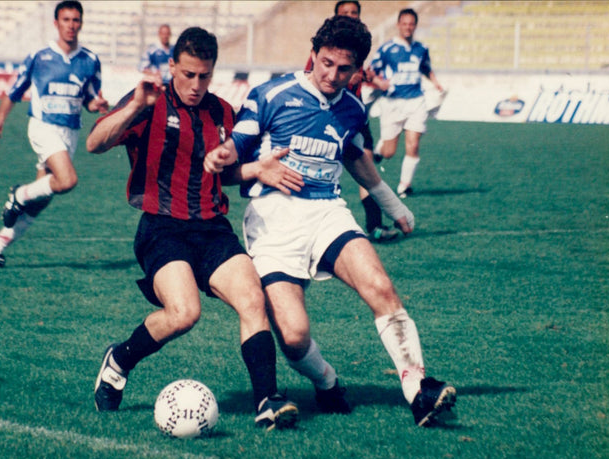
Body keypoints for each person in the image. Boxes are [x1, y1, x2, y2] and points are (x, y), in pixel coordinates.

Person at [204, 15, 456, 426]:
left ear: (357, 69)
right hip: (273, 223)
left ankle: (419, 391)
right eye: (325, 63)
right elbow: (233, 154)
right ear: (313, 54)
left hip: (327, 213)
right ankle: (327, 382)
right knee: (294, 335)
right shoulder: (272, 95)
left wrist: (392, 205)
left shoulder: (353, 108)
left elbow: (355, 156)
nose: (332, 75)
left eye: (344, 69)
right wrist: (233, 162)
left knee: (379, 286)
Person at [86, 26, 298, 431]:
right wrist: (135, 108)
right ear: (171, 67)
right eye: (187, 75)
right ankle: (120, 358)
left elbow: (228, 171)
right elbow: (95, 143)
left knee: (253, 299)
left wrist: (257, 169)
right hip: (162, 228)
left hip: (212, 229)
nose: (196, 85)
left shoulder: (222, 112)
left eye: (204, 76)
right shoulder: (147, 102)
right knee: (184, 314)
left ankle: (268, 400)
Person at [0, 0, 108, 268]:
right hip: (43, 126)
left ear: (81, 24)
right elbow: (14, 91)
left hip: (69, 133)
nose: (71, 25)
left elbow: (90, 98)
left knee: (43, 199)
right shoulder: (40, 57)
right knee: (68, 180)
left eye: (76, 20)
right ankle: (19, 195)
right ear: (56, 23)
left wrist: (97, 105)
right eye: (66, 20)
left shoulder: (90, 60)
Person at [305, 1, 399, 243]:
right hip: (327, 118)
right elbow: (313, 79)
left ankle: (375, 225)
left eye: (354, 12)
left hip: (355, 117)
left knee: (366, 168)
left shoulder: (359, 47)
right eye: (345, 13)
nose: (351, 16)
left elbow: (364, 74)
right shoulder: (327, 50)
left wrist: (376, 81)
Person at [369, 8, 444, 198]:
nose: (408, 27)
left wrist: (436, 83)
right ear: (398, 25)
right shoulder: (387, 49)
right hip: (392, 104)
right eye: (404, 24)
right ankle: (380, 148)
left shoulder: (421, 49)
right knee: (389, 152)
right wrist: (379, 83)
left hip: (416, 101)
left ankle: (404, 186)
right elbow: (370, 71)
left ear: (415, 26)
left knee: (413, 144)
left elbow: (426, 68)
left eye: (411, 24)